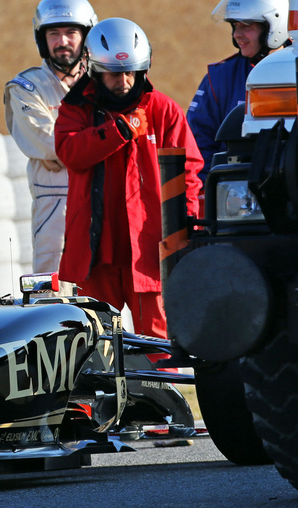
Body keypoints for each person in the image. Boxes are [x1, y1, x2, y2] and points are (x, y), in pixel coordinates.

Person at [55, 18, 202, 338]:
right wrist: (118, 130)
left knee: (158, 345)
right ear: (95, 69)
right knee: (94, 345)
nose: (123, 81)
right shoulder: (75, 108)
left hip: (150, 251)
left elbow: (188, 172)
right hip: (96, 255)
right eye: (113, 73)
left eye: (129, 72)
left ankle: (159, 389)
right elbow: (70, 154)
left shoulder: (163, 109)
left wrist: (185, 228)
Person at [4, 0, 98, 274]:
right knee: (52, 284)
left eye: (71, 32)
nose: (63, 41)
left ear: (87, 35)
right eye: (54, 33)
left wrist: (72, 150)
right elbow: (51, 146)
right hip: (55, 201)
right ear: (41, 39)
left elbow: (66, 150)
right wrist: (97, 143)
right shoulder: (25, 87)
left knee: (106, 286)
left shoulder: (107, 80)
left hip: (104, 192)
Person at [187, 0, 289, 172]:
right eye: (235, 26)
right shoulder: (219, 77)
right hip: (233, 191)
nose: (237, 35)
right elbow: (197, 147)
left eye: (246, 26)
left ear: (274, 26)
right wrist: (205, 195)